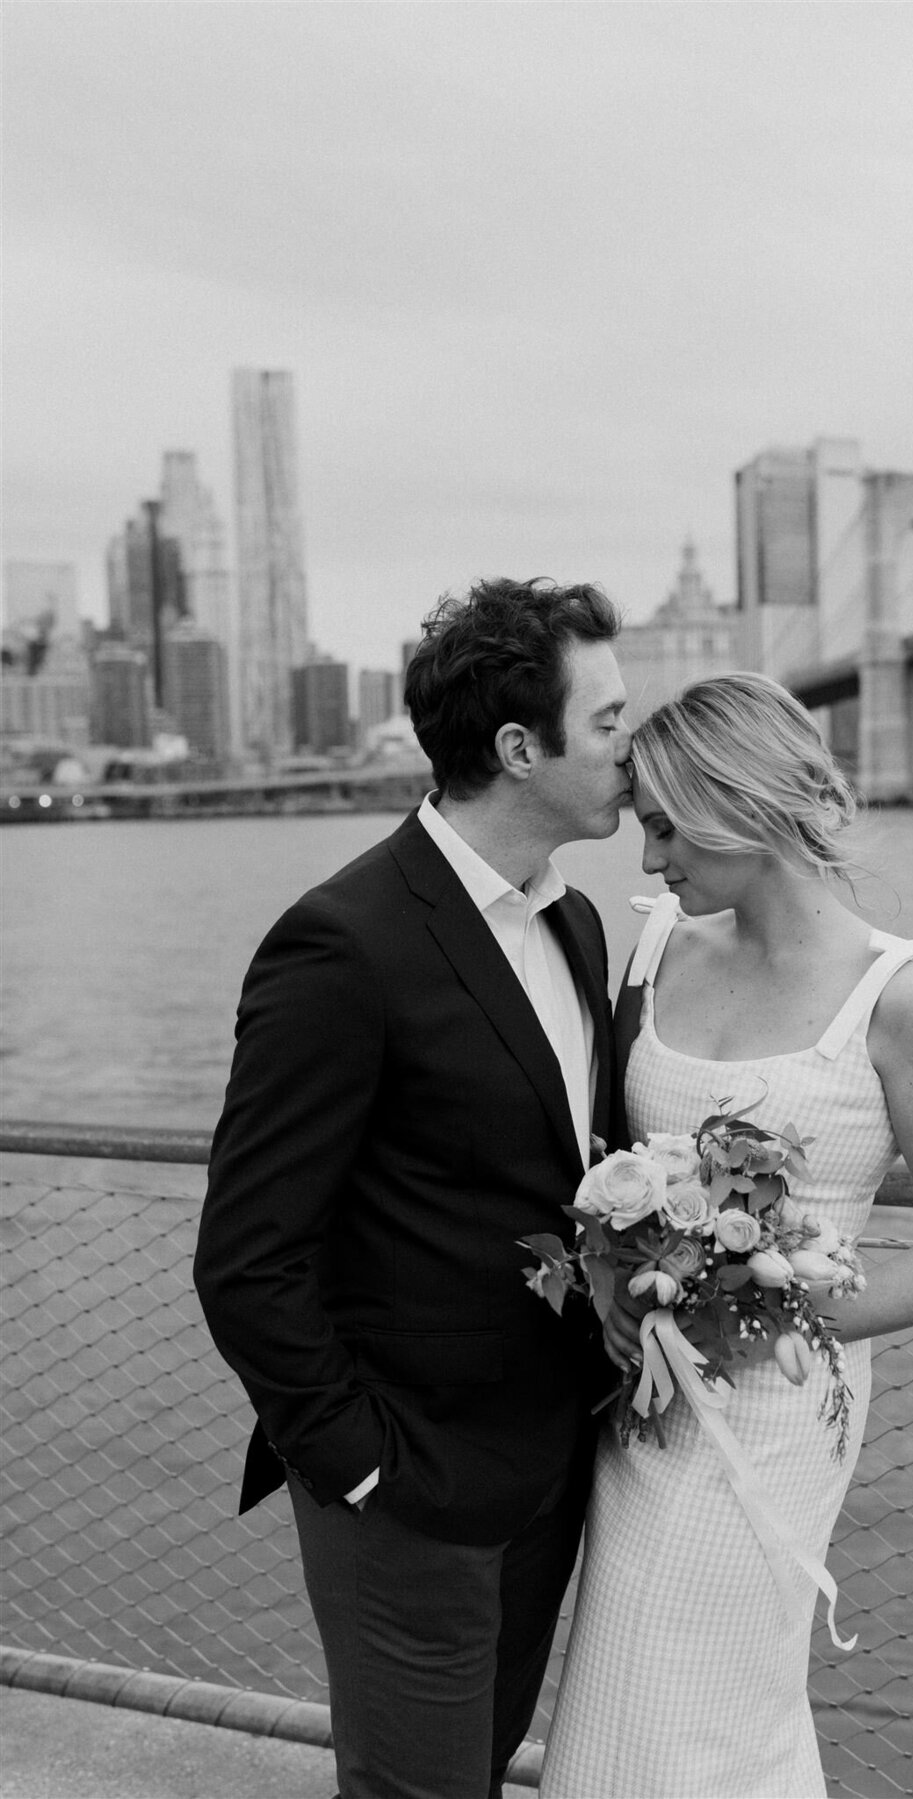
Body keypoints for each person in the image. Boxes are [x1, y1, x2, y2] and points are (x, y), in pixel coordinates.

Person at [540, 670, 913, 1799]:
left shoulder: (903, 999)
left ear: (736, 804)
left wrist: (768, 1299)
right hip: (644, 1397)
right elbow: (605, 1156)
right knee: (624, 1675)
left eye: (664, 828)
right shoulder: (655, 949)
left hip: (786, 1399)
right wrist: (620, 1280)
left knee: (714, 1688)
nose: (650, 861)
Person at [193, 577, 632, 1799]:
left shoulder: (582, 926)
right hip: (408, 1495)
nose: (629, 746)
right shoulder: (344, 941)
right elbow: (246, 1257)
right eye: (606, 722)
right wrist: (365, 1469)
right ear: (516, 747)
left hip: (549, 1474)